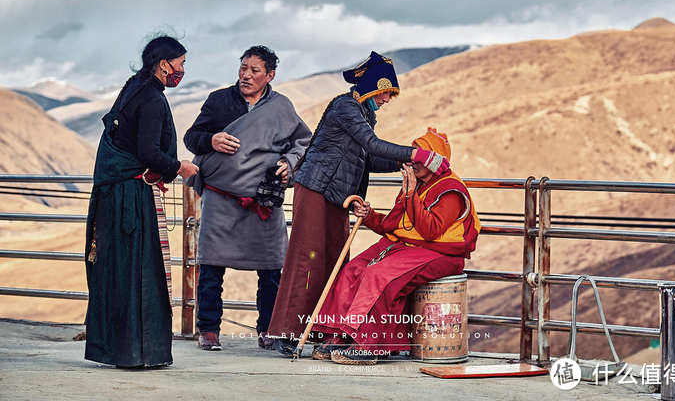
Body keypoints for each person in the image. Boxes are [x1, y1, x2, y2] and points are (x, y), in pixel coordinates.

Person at [267, 51, 451, 355]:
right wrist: (418, 155)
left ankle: (319, 329)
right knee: (307, 260)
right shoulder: (345, 106)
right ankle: (285, 332)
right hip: (315, 188)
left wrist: (404, 165)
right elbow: (371, 144)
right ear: (370, 87)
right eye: (385, 92)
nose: (388, 99)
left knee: (335, 260)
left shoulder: (364, 113)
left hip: (338, 195)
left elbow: (369, 157)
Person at [311, 128, 481, 365]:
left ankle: (369, 345)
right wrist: (369, 215)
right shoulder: (416, 184)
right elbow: (393, 224)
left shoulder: (449, 190)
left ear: (435, 161)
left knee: (379, 275)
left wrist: (410, 194)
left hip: (439, 254)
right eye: (412, 155)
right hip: (404, 246)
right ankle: (340, 335)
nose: (412, 161)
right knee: (354, 269)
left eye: (419, 157)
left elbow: (430, 231)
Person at [184, 45, 311, 351]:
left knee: (270, 270)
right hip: (220, 197)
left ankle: (268, 329)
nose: (246, 75)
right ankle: (209, 330)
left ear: (270, 75)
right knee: (211, 266)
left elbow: (304, 142)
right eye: (243, 68)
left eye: (255, 70)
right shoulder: (219, 101)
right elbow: (192, 138)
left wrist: (289, 163)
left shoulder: (281, 107)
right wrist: (211, 140)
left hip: (263, 202)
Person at [84, 35, 199, 368]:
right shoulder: (151, 99)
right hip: (132, 199)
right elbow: (148, 152)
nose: (182, 69)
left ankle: (123, 350)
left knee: (122, 271)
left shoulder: (134, 87)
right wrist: (180, 167)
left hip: (118, 195)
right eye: (181, 63)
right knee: (142, 272)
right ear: (164, 64)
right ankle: (140, 353)